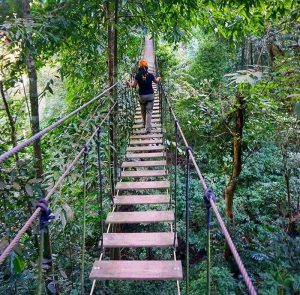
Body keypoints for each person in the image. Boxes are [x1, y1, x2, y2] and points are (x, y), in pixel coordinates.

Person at [128, 59, 161, 134]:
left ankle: (144, 123)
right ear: (147, 66)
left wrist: (129, 83)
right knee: (149, 112)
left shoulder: (137, 76)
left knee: (143, 110)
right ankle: (148, 129)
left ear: (139, 66)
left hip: (142, 97)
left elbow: (133, 86)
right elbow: (156, 82)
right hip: (150, 96)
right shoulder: (151, 75)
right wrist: (159, 78)